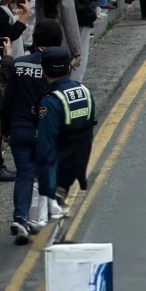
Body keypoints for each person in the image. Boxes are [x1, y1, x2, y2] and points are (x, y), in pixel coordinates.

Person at [2, 19, 65, 238]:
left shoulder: (19, 64)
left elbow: (8, 99)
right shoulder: (58, 67)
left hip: (19, 127)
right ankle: (44, 218)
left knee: (24, 174)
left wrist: (5, 128)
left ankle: (20, 217)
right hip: (47, 130)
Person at [33, 47, 95, 221]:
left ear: (43, 70)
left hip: (57, 174)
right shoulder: (85, 92)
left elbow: (46, 145)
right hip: (77, 165)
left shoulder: (50, 101)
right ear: (69, 68)